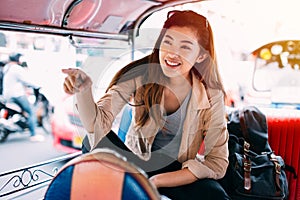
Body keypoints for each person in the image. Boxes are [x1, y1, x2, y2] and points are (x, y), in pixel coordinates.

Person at [62, 10, 230, 200]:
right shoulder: (139, 74)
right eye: (168, 42)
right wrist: (84, 91)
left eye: (185, 47)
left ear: (200, 56)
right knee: (91, 142)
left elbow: (217, 163)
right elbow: (96, 127)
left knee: (215, 194)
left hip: (174, 173)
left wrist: (156, 181)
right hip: (135, 164)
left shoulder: (211, 95)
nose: (173, 53)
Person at [2, 53, 44, 142]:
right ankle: (33, 135)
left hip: (6, 95)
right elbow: (27, 80)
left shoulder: (7, 67)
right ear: (18, 59)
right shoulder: (16, 68)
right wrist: (38, 86)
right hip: (17, 95)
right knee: (31, 112)